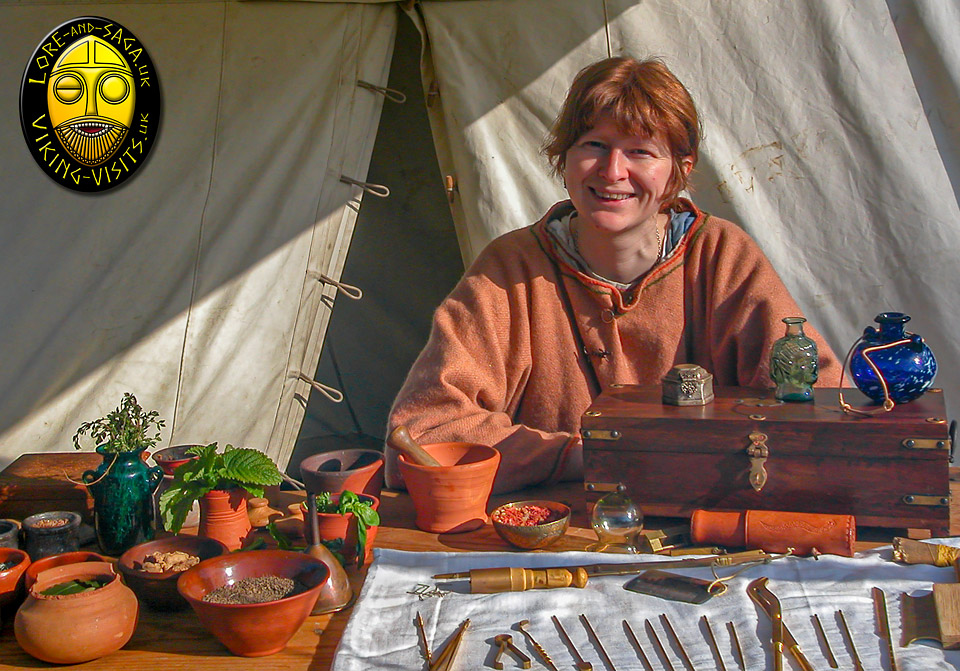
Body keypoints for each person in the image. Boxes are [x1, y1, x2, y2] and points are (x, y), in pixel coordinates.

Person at [386, 56, 842, 493]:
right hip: (557, 536)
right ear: (563, 159)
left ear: (678, 172)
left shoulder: (721, 257)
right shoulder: (510, 269)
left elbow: (822, 405)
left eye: (641, 152)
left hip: (705, 524)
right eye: (594, 146)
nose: (612, 171)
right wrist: (588, 457)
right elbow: (423, 433)